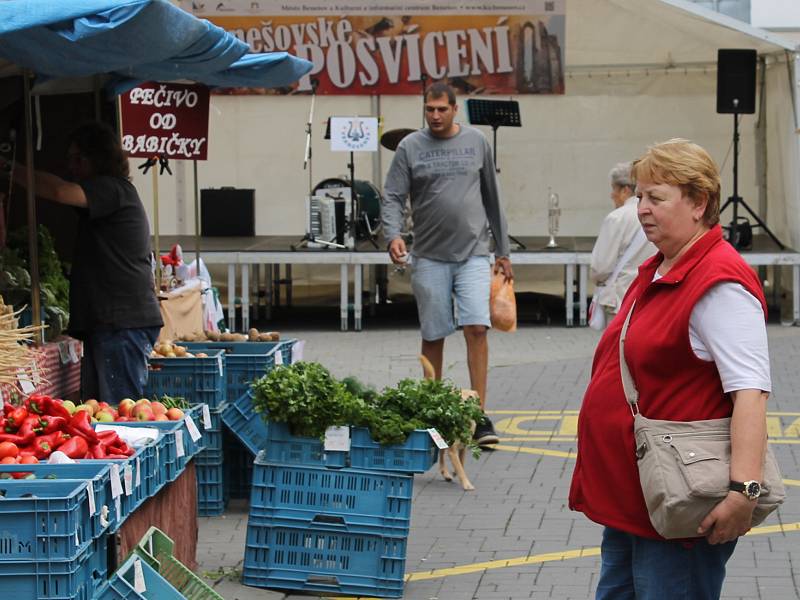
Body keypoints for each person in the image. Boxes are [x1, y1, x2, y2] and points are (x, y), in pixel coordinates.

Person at [570, 139, 771, 599]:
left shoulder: (719, 282)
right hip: (641, 497)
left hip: (681, 504)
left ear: (699, 203)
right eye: (639, 196)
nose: (641, 208)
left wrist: (743, 492)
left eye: (655, 197)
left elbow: (750, 392)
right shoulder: (664, 268)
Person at [382, 82, 513, 446]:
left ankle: (479, 414)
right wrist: (393, 234)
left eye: (442, 109)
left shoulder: (476, 143)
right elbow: (392, 195)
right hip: (428, 255)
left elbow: (493, 197)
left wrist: (502, 251)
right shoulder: (410, 147)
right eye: (429, 109)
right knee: (434, 334)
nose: (436, 115)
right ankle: (433, 411)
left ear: (456, 110)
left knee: (477, 329)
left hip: (473, 253)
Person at [3, 122, 163, 403]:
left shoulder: (112, 189)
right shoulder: (114, 192)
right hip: (112, 322)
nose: (72, 166)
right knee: (104, 408)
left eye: (79, 158)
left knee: (117, 411)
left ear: (99, 159)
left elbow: (61, 192)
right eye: (70, 159)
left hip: (121, 322)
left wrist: (9, 169)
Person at [589, 162, 656, 324]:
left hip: (621, 297)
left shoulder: (617, 218)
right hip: (651, 295)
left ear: (625, 190)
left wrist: (597, 279)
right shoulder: (657, 213)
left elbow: (601, 267)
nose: (612, 195)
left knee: (618, 346)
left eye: (614, 189)